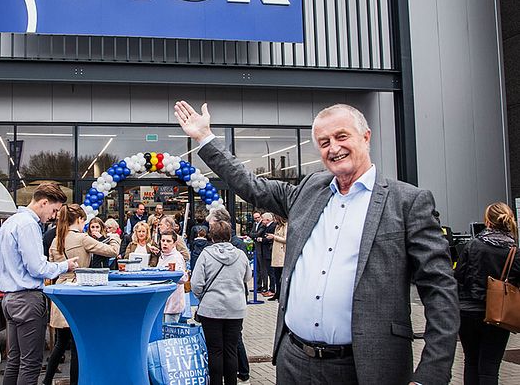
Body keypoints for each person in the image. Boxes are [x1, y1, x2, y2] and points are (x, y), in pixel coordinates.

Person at [175, 100, 459, 385]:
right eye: (324, 142)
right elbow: (250, 184)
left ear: (366, 136)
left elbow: (440, 290)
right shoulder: (309, 191)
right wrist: (204, 137)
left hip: (368, 368)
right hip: (295, 363)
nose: (333, 148)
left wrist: (431, 375)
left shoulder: (407, 202)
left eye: (341, 136)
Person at [0, 183, 79, 385]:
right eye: (54, 210)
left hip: (10, 299)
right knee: (31, 364)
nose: (54, 216)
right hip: (27, 300)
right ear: (43, 202)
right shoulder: (28, 224)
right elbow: (37, 268)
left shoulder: (10, 222)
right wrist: (64, 265)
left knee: (15, 361)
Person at [44, 205, 119, 385]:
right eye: (84, 221)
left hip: (60, 291)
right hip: (77, 291)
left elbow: (51, 267)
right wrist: (115, 237)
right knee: (77, 346)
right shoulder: (82, 238)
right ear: (78, 220)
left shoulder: (56, 240)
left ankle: (46, 381)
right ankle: (76, 382)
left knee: (60, 344)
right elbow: (112, 252)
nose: (84, 224)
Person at [455, 202, 520, 385]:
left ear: (487, 222)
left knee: (471, 362)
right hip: (498, 315)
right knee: (490, 366)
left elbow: (459, 276)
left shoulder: (472, 246)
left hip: (467, 312)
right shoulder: (514, 251)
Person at [191, 220, 252, 385]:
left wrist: (202, 297)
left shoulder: (205, 254)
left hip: (211, 308)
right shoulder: (241, 254)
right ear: (229, 235)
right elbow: (248, 277)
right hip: (235, 308)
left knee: (215, 351)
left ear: (212, 236)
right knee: (231, 350)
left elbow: (196, 284)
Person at [156, 230, 188, 323]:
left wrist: (173, 273)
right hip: (163, 301)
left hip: (173, 302)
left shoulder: (177, 257)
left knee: (170, 332)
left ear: (174, 243)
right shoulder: (162, 256)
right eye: (163, 241)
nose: (165, 243)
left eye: (168, 241)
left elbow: (184, 278)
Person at [251, 213, 273, 294]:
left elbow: (257, 234)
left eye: (258, 217)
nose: (257, 219)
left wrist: (256, 236)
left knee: (264, 269)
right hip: (256, 248)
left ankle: (265, 287)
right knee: (257, 269)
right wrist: (254, 236)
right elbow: (251, 234)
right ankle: (258, 286)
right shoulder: (255, 224)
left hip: (262, 249)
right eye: (255, 218)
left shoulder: (264, 225)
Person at [267, 214, 287, 302]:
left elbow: (286, 239)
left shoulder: (286, 226)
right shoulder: (277, 226)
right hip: (276, 253)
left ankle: (281, 295)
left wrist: (274, 237)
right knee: (276, 275)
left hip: (282, 253)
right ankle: (277, 293)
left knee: (281, 276)